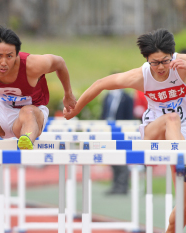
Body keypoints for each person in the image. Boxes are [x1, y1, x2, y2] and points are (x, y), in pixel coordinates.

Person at [63, 28, 186, 232]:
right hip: (154, 132)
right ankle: (182, 161)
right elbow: (101, 84)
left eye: (165, 61)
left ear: (172, 55)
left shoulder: (181, 65)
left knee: (181, 214)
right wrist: (76, 109)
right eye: (154, 62)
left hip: (180, 138)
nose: (161, 67)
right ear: (146, 59)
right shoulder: (142, 76)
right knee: (171, 119)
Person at [101, 88, 133, 195]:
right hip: (108, 131)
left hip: (122, 131)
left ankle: (122, 186)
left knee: (121, 159)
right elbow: (104, 113)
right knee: (112, 159)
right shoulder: (107, 96)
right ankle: (116, 185)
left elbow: (129, 115)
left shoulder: (127, 97)